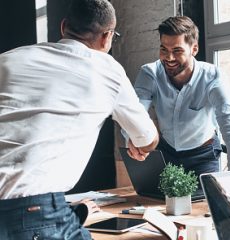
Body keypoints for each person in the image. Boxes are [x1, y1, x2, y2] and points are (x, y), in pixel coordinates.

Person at [0, 0, 159, 239]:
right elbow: (148, 140)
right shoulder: (106, 69)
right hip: (35, 213)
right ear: (106, 37)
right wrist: (138, 143)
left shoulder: (8, 60)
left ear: (64, 27)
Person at [133, 16, 230, 178]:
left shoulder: (213, 76)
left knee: (206, 202)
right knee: (159, 202)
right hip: (166, 153)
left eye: (177, 51)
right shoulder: (150, 73)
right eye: (164, 49)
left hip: (203, 156)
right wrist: (134, 140)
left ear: (194, 49)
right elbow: (135, 112)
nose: (169, 57)